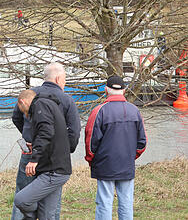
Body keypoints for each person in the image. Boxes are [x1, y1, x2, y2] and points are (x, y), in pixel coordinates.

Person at [11, 62, 81, 220]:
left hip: (30, 152)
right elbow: (74, 132)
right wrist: (64, 149)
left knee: (23, 192)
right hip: (55, 159)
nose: (65, 83)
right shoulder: (66, 99)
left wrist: (29, 137)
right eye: (64, 79)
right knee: (50, 200)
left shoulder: (29, 94)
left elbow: (16, 117)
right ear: (57, 78)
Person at [84, 76, 147, 220]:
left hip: (105, 164)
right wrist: (130, 156)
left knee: (104, 202)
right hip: (126, 163)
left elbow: (90, 142)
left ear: (106, 89)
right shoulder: (135, 111)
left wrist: (91, 160)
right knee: (126, 201)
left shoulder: (98, 111)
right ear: (124, 90)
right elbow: (142, 142)